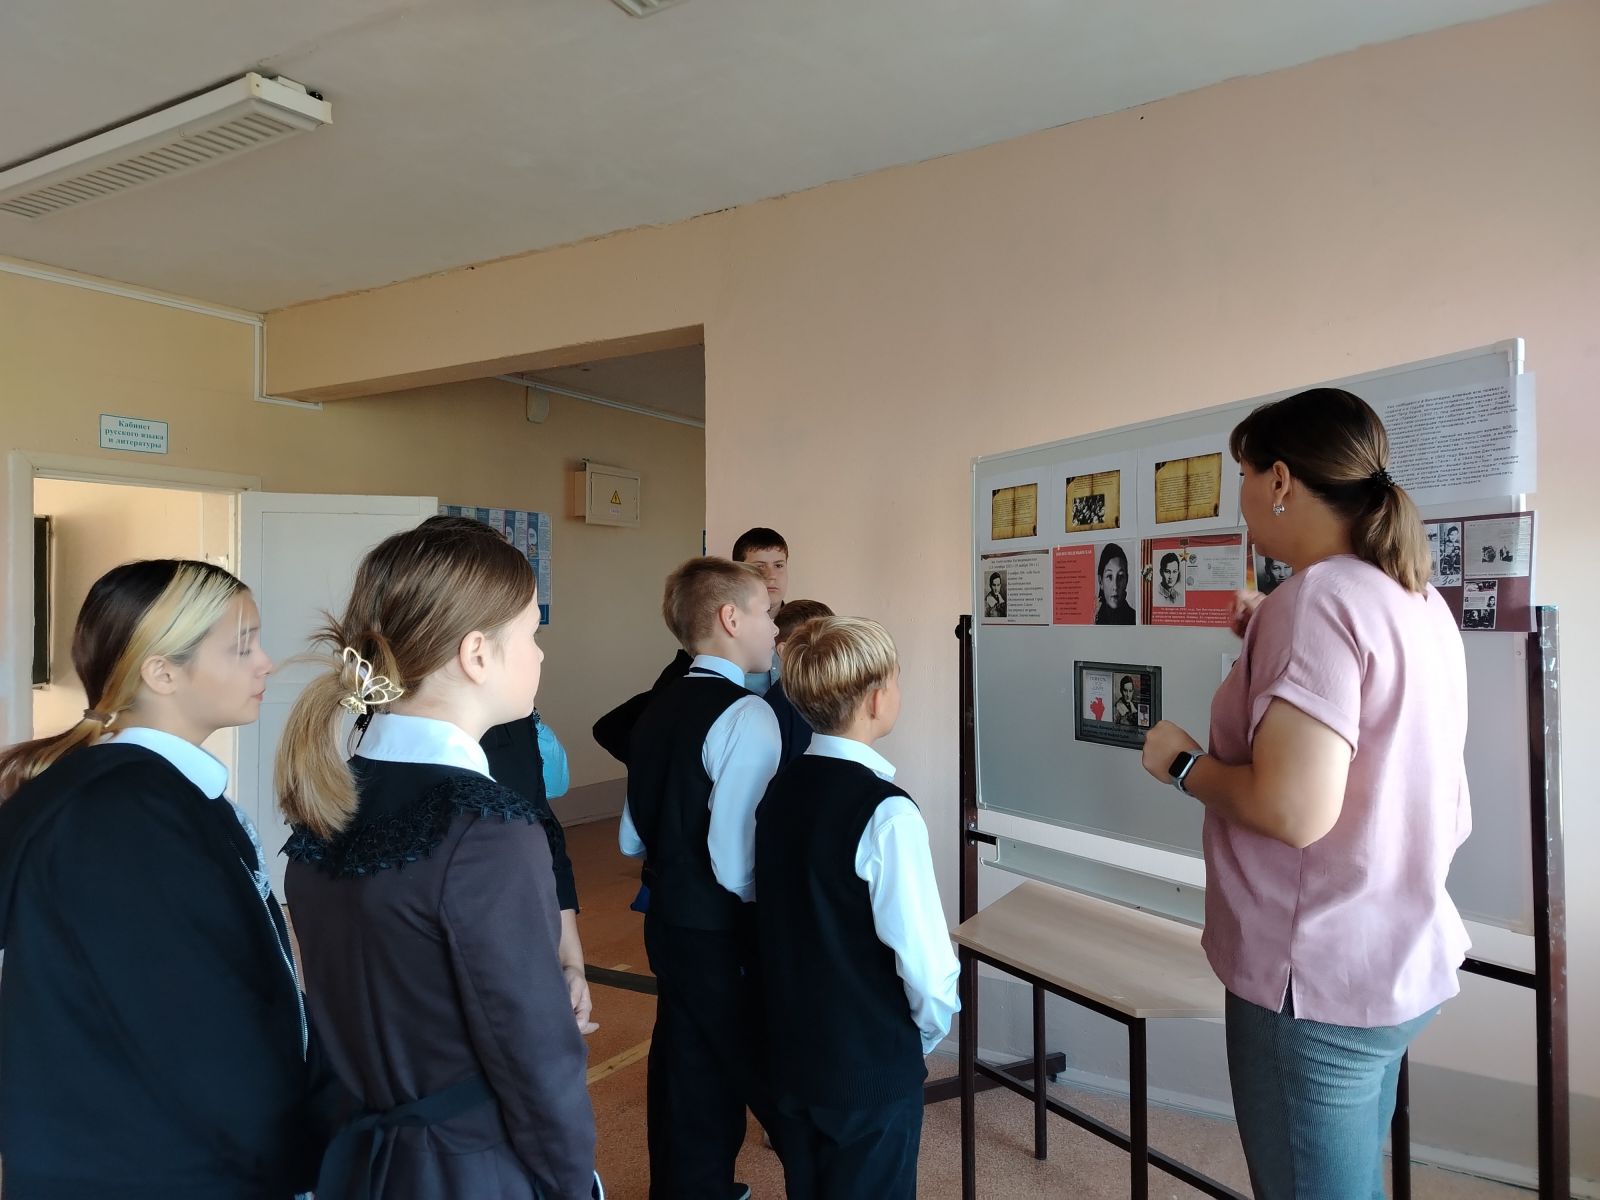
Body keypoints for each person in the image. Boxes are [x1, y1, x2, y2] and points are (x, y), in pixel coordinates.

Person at [1139, 387, 1469, 1199]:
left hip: (1311, 980)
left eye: (1245, 478)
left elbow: (1293, 810)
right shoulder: (1413, 597)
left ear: (1280, 479)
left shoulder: (1316, 601)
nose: (1243, 501)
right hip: (1393, 956)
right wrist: (1270, 625)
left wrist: (1181, 763)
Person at [278, 517, 599, 1199]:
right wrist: (575, 1185)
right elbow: (537, 1064)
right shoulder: (486, 829)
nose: (541, 655)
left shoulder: (331, 798)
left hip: (356, 1161)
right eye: (531, 634)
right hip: (467, 1168)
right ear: (477, 654)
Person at [0, 559, 329, 1197]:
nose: (266, 664)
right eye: (243, 647)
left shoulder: (144, 795)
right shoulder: (123, 817)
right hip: (156, 1170)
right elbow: (193, 1032)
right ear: (162, 672)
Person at [755, 616, 959, 1200]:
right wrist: (923, 1034)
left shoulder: (782, 787)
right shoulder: (888, 813)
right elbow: (926, 964)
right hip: (868, 1065)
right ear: (875, 699)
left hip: (792, 1052)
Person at [620, 557, 782, 1199]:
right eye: (766, 612)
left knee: (684, 1059)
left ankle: (691, 1188)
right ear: (731, 618)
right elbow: (735, 861)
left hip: (666, 916)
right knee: (751, 1060)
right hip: (720, 925)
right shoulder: (748, 715)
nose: (774, 627)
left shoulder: (656, 706)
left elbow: (631, 835)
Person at [592, 526, 791, 764]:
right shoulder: (690, 677)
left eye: (779, 565)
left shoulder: (805, 629)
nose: (771, 575)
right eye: (759, 567)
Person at [766, 598, 834, 767]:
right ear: (784, 651)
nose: (830, 650)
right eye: (813, 642)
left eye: (832, 639)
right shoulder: (778, 705)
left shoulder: (829, 697)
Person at [1093, 542, 1136, 625]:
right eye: (1109, 576)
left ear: (1127, 580)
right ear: (1101, 581)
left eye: (1120, 576)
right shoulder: (1092, 619)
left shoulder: (1134, 618)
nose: (1115, 586)